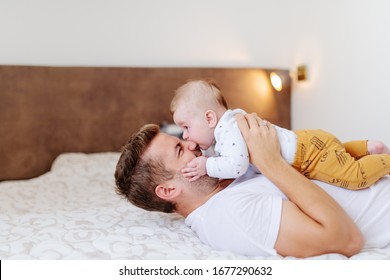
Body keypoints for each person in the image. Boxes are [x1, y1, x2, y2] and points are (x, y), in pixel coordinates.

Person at [114, 114, 390, 257]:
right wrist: (271, 163)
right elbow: (346, 240)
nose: (192, 143)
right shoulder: (228, 215)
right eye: (179, 149)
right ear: (168, 190)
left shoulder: (228, 178)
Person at [169, 79, 390, 190]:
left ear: (209, 119)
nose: (185, 136)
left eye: (186, 127)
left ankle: (384, 160)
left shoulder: (229, 132)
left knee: (352, 176)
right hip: (309, 140)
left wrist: (206, 165)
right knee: (337, 151)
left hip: (307, 156)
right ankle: (365, 147)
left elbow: (237, 166)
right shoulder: (233, 121)